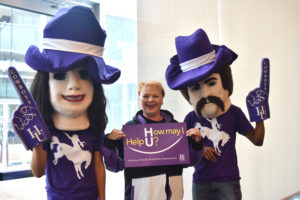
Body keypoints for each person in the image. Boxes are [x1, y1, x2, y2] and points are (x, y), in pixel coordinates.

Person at [25, 6, 121, 200]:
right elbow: (38, 171)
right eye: (60, 75)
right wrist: (36, 137)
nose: (74, 86)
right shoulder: (47, 127)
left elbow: (97, 165)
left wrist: (102, 197)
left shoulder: (93, 126)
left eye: (84, 75)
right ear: (45, 83)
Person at [165, 28, 270, 200]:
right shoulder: (191, 119)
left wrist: (259, 113)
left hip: (228, 181)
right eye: (195, 88)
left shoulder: (234, 113)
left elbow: (257, 140)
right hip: (200, 182)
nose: (205, 94)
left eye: (211, 82)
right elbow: (180, 155)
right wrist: (200, 150)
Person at [102, 81, 202, 200]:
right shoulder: (130, 131)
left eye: (155, 96)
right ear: (139, 98)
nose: (150, 100)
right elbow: (114, 166)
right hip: (140, 195)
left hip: (171, 194)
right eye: (145, 96)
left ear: (162, 99)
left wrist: (197, 143)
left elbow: (189, 161)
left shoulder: (175, 129)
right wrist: (109, 143)